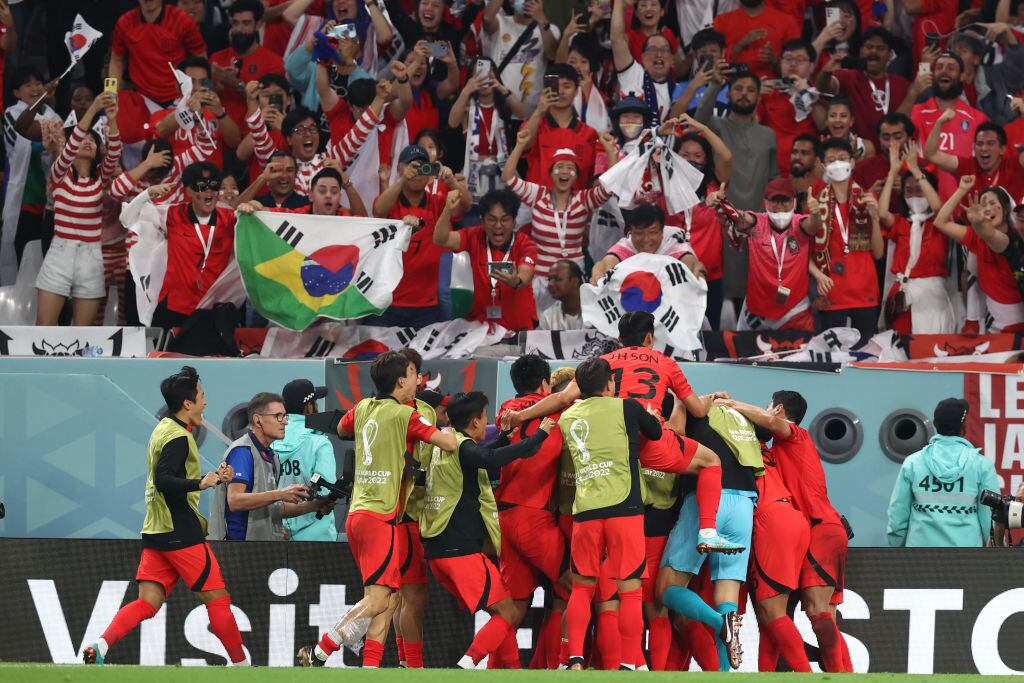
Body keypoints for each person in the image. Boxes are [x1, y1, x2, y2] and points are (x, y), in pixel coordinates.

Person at [505, 311, 737, 553]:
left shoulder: (603, 363)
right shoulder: (667, 363)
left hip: (610, 447)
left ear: (619, 338)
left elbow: (562, 398)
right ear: (650, 337)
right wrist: (710, 399)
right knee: (711, 461)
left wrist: (520, 415)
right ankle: (708, 533)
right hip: (650, 442)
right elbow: (698, 411)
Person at [298, 351, 457, 667]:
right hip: (382, 517)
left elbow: (343, 430)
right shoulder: (406, 415)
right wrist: (448, 431)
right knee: (379, 599)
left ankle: (370, 668)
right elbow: (448, 444)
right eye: (413, 376)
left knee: (386, 600)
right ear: (401, 382)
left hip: (357, 514)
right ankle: (319, 652)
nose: (417, 381)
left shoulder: (362, 408)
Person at [83, 366, 245, 666]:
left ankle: (101, 645)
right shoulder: (179, 438)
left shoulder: (162, 429)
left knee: (147, 602)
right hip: (181, 533)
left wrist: (215, 478)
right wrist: (201, 482)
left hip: (156, 533)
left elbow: (167, 476)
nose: (205, 402)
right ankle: (243, 666)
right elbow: (164, 479)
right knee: (218, 600)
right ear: (188, 403)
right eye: (202, 396)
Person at [423, 391, 555, 668]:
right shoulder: (464, 448)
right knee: (507, 611)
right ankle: (466, 664)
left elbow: (480, 454)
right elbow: (492, 460)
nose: (486, 423)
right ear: (473, 422)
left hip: (438, 552)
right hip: (461, 551)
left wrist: (504, 438)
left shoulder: (447, 442)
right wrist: (540, 435)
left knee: (500, 610)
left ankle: (512, 671)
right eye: (484, 418)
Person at [725, 391, 853, 673]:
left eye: (768, 406)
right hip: (814, 528)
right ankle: (845, 675)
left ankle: (837, 676)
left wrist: (730, 404)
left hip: (818, 527)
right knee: (817, 615)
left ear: (779, 409)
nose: (764, 410)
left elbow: (769, 422)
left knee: (817, 614)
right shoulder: (774, 451)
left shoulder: (796, 435)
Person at [554, 357, 665, 670]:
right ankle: (629, 663)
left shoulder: (567, 416)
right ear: (609, 384)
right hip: (625, 508)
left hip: (586, 511)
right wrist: (650, 415)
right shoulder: (626, 407)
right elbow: (655, 433)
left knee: (582, 588)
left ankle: (574, 659)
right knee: (629, 591)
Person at [656, 404, 760, 671]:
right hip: (744, 503)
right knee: (727, 594)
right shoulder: (740, 420)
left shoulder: (692, 413)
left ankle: (718, 622)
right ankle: (724, 674)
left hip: (707, 500)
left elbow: (675, 432)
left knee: (665, 590)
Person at [493, 355, 570, 665]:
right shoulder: (560, 410)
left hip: (505, 518)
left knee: (514, 607)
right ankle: (559, 667)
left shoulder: (506, 412)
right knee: (573, 589)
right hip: (534, 518)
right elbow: (571, 393)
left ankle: (497, 671)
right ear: (543, 384)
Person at [501, 126, 616, 313]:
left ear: (577, 176)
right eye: (559, 167)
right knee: (538, 328)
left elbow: (610, 186)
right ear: (551, 173)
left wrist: (609, 150)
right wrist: (520, 145)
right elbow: (507, 177)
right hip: (542, 279)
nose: (565, 171)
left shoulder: (583, 199)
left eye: (571, 168)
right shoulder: (537, 195)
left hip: (572, 281)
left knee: (572, 329)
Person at [34, 92, 122, 326]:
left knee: (83, 334)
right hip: (59, 253)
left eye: (93, 141)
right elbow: (70, 146)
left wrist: (112, 119)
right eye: (83, 138)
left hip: (91, 256)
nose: (87, 141)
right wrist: (93, 109)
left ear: (96, 152)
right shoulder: (59, 174)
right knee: (44, 328)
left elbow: (113, 153)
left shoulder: (99, 180)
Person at [374, 144, 472, 328]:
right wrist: (402, 180)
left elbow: (466, 205)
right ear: (400, 168)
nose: (417, 172)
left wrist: (451, 181)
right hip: (387, 303)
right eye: (412, 167)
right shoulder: (391, 201)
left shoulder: (438, 202)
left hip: (427, 307)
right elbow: (379, 210)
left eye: (423, 167)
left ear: (430, 173)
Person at [208, 392, 325, 541]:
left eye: (284, 416)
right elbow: (235, 501)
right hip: (237, 547)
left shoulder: (272, 456)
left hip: (263, 548)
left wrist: (317, 504)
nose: (285, 422)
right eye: (278, 416)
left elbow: (273, 508)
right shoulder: (242, 452)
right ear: (257, 421)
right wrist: (281, 493)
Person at [887, 398, 1001, 548]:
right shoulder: (981, 466)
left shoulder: (913, 463)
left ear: (935, 424)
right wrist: (997, 555)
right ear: (964, 425)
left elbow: (897, 516)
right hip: (967, 561)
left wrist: (896, 550)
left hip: (917, 558)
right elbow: (990, 521)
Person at [724, 176, 822, 331]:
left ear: (794, 202)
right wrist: (723, 204)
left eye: (785, 200)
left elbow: (813, 226)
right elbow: (741, 217)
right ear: (765, 202)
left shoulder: (800, 223)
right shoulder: (757, 223)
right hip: (757, 312)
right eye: (775, 200)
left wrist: (816, 214)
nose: (780, 206)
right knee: (748, 353)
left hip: (795, 311)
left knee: (798, 354)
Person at [434, 188, 539, 331]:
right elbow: (441, 239)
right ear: (482, 221)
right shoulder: (474, 236)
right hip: (482, 326)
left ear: (514, 222)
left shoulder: (525, 244)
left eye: (505, 219)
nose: (498, 226)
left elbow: (525, 274)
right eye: (491, 219)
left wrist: (516, 281)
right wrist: (447, 209)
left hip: (518, 326)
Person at [813, 139, 885, 343]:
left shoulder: (866, 199)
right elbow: (806, 252)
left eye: (842, 158)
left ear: (853, 162)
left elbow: (878, 253)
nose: (837, 164)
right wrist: (818, 276)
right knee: (834, 359)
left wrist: (875, 218)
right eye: (831, 160)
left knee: (864, 358)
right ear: (822, 165)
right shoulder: (816, 204)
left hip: (865, 292)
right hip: (832, 295)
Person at [877, 145, 954, 335]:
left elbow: (937, 206)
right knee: (899, 351)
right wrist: (893, 172)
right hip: (902, 295)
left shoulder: (941, 222)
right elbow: (881, 213)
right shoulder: (901, 223)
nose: (913, 195)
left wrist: (915, 170)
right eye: (908, 191)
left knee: (930, 351)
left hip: (932, 297)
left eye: (919, 191)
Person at [109, 0, 207, 143]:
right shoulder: (124, 23)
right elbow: (116, 60)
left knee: (181, 148)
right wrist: (111, 93)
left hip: (178, 98)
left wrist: (196, 92)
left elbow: (200, 57)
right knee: (124, 135)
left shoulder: (182, 20)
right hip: (143, 99)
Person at [935, 176, 1024, 332]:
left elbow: (991, 236)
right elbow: (940, 222)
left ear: (1005, 208)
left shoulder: (1014, 239)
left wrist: (978, 223)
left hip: (1019, 322)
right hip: (995, 322)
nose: (987, 209)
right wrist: (961, 190)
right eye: (983, 205)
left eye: (992, 203)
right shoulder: (977, 237)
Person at [2, 68, 61, 281]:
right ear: (17, 93)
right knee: (21, 259)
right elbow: (24, 145)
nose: (35, 88)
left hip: (49, 204)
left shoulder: (53, 116)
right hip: (24, 201)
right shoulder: (11, 114)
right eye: (28, 85)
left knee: (44, 262)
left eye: (38, 83)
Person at [816, 27, 920, 148]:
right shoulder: (848, 77)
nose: (874, 52)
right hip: (859, 155)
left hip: (893, 152)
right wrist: (826, 71)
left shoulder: (903, 84)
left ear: (890, 55)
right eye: (869, 47)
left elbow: (905, 123)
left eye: (880, 48)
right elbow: (823, 88)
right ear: (861, 51)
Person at [273, 379, 339, 542]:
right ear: (309, 406)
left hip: (275, 533)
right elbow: (326, 493)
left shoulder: (271, 438)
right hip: (316, 536)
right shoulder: (320, 442)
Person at [518, 63, 600, 192]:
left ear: (576, 91)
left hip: (576, 207)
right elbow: (522, 146)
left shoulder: (589, 134)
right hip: (537, 204)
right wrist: (539, 111)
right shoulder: (534, 125)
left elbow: (593, 177)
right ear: (545, 89)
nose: (560, 92)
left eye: (566, 86)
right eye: (555, 86)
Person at [209, 0, 286, 125]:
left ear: (258, 25)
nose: (239, 29)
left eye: (246, 23)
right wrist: (220, 85)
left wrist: (236, 84)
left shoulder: (274, 62)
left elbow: (272, 106)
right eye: (235, 23)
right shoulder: (216, 59)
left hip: (256, 136)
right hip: (218, 134)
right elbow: (202, 99)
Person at [590, 204, 704, 284]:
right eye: (639, 233)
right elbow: (605, 264)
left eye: (652, 232)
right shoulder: (626, 246)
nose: (646, 239)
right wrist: (598, 274)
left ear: (662, 232)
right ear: (631, 232)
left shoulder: (672, 242)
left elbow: (690, 262)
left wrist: (696, 269)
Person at [756, 39, 821, 176]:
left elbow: (823, 125)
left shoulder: (818, 93)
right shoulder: (767, 92)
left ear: (811, 66)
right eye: (788, 59)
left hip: (808, 174)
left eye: (800, 59)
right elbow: (748, 126)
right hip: (772, 174)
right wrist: (755, 97)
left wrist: (807, 94)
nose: (793, 64)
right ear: (780, 63)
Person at [925, 116, 1024, 204]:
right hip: (969, 225)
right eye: (979, 144)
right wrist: (939, 123)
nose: (984, 148)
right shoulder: (966, 166)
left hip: (1010, 224)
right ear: (974, 148)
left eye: (990, 143)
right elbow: (932, 155)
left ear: (1002, 149)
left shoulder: (1014, 165)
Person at [482, 0, 560, 111]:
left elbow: (552, 55)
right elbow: (487, 18)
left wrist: (542, 20)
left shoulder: (550, 29)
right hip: (502, 109)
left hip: (534, 111)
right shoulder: (500, 22)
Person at [610, 0, 673, 124]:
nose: (658, 54)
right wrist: (618, 2)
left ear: (672, 59)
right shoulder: (633, 74)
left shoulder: (679, 91)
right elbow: (616, 39)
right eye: (653, 49)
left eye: (664, 50)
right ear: (642, 57)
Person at [713, 0, 800, 79]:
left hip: (774, 88)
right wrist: (740, 45)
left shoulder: (787, 22)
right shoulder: (721, 21)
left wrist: (773, 60)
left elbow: (797, 68)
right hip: (731, 86)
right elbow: (714, 63)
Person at [539, 259, 584, 330]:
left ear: (575, 281)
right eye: (549, 279)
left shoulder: (598, 311)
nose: (550, 284)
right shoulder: (547, 317)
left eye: (557, 279)